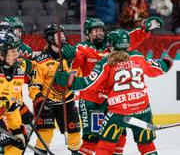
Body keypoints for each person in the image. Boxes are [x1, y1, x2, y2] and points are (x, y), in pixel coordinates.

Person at [56, 28, 173, 155]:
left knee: (105, 147)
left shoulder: (107, 62)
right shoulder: (138, 57)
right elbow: (159, 67)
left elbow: (88, 83)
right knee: (147, 145)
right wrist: (167, 62)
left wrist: (68, 81)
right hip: (142, 109)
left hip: (119, 112)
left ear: (111, 45)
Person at [28, 24, 81, 155]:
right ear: (50, 39)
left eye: (63, 34)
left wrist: (72, 62)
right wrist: (39, 100)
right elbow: (34, 85)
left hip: (67, 100)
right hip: (47, 102)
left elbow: (78, 80)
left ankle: (75, 152)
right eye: (58, 35)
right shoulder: (40, 61)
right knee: (45, 132)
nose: (62, 37)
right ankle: (40, 152)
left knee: (74, 130)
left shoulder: (72, 57)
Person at [0, 31, 27, 155]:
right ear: (1, 54)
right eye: (12, 52)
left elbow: (12, 107)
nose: (17, 54)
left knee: (16, 148)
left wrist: (16, 130)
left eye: (17, 50)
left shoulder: (18, 72)